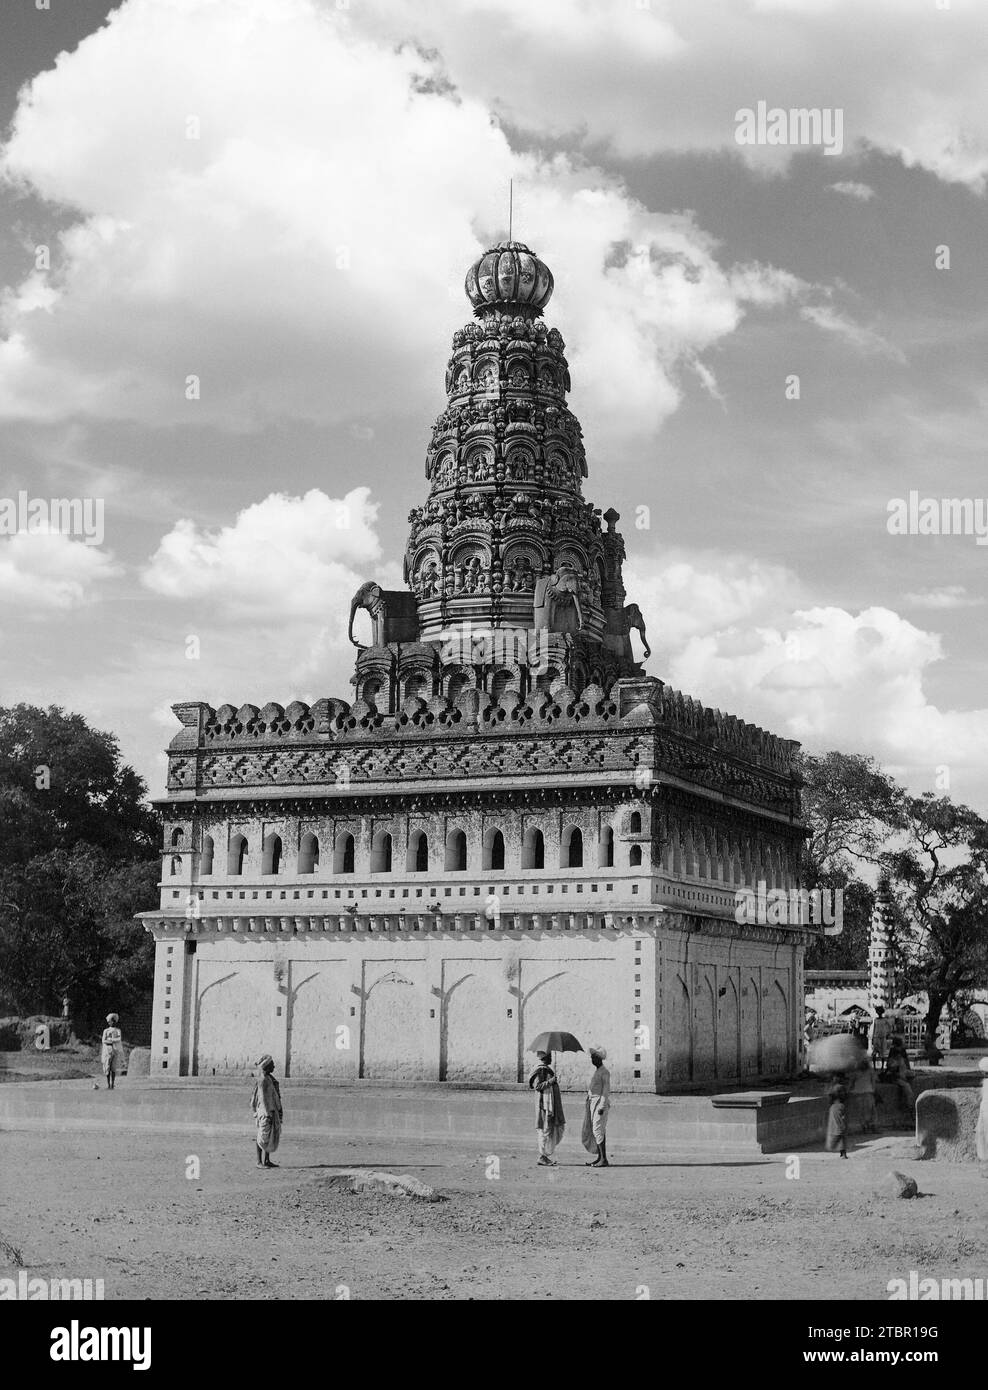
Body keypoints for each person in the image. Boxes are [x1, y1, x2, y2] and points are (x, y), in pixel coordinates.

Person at [528, 1050, 565, 1166]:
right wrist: (551, 1081)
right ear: (545, 1058)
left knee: (548, 1129)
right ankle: (542, 1156)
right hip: (544, 1105)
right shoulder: (541, 1070)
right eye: (549, 1056)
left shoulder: (546, 1069)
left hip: (550, 1104)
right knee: (545, 1129)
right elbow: (537, 1086)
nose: (551, 1059)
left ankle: (544, 1155)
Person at [251, 1054, 283, 1169]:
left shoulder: (269, 1078)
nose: (274, 1066)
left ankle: (267, 1160)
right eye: (272, 1064)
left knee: (269, 1136)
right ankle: (259, 1161)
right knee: (262, 1136)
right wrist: (266, 1113)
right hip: (265, 1112)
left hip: (271, 1110)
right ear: (267, 1066)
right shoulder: (263, 1080)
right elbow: (262, 1098)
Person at [582, 1046, 611, 1168]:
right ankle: (600, 1157)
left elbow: (605, 1091)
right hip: (593, 1103)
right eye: (592, 1057)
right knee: (597, 1130)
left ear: (599, 1059)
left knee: (598, 1130)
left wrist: (602, 1106)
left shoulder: (604, 1072)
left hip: (600, 1104)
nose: (592, 1060)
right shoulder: (597, 1071)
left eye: (594, 1057)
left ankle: (604, 1159)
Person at [851, 1034, 878, 1134]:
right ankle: (871, 1126)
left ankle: (865, 1127)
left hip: (858, 1091)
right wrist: (874, 1089)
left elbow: (852, 1079)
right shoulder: (865, 1058)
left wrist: (850, 1088)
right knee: (871, 1111)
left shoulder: (856, 1058)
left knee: (862, 1112)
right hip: (867, 1090)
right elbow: (873, 1078)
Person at [885, 1035, 915, 1115]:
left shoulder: (900, 1052)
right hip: (896, 1076)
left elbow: (906, 1064)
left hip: (901, 1074)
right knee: (908, 1090)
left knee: (910, 1081)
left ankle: (909, 1106)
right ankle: (910, 1108)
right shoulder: (895, 1052)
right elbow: (891, 1068)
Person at [825, 1074, 849, 1158]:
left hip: (835, 1107)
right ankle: (843, 1152)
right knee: (841, 1129)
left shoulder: (832, 1088)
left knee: (837, 1129)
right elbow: (845, 1096)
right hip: (840, 1107)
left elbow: (829, 1098)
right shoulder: (841, 1087)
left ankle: (840, 1150)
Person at [100, 1014, 123, 1090]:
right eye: (110, 1021)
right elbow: (104, 1040)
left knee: (113, 1068)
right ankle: (108, 1084)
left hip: (115, 1050)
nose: (112, 1023)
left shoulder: (117, 1030)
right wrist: (110, 1041)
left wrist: (111, 1040)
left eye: (113, 1021)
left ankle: (112, 1084)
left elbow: (118, 1039)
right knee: (107, 1067)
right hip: (107, 1051)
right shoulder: (106, 1030)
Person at [869, 1006, 892, 1072]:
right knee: (874, 1053)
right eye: (877, 1011)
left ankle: (882, 1067)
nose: (879, 1013)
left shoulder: (885, 1020)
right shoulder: (875, 1020)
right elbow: (874, 1029)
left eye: (880, 1012)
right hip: (876, 1037)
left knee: (882, 1053)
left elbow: (889, 1027)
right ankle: (874, 1066)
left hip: (883, 1038)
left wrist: (887, 1034)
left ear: (882, 1012)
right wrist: (873, 1038)